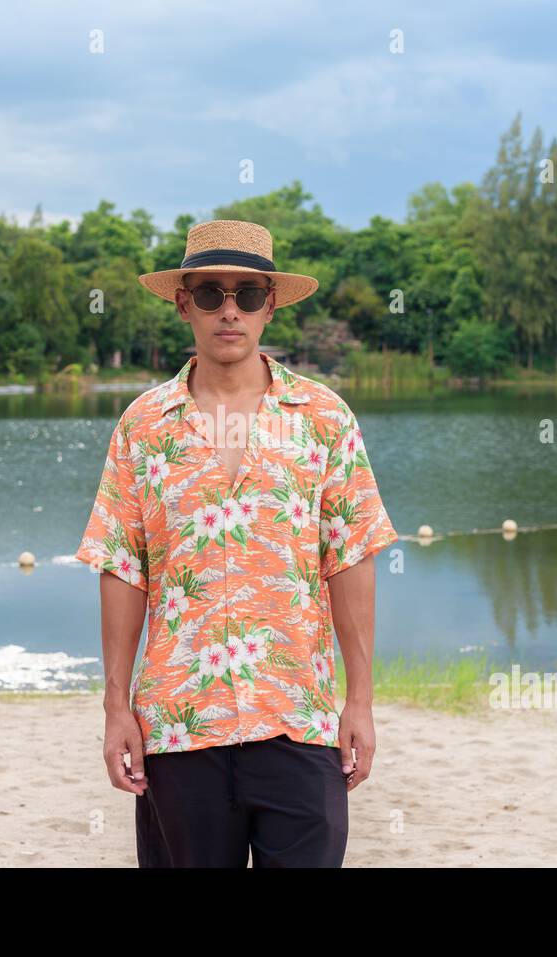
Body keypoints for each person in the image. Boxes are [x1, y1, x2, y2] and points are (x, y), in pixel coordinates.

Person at [76, 220, 398, 867]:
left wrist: (358, 700)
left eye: (248, 294)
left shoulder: (325, 418)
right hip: (178, 723)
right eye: (211, 293)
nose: (230, 309)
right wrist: (117, 710)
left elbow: (351, 557)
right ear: (183, 302)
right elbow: (121, 568)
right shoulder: (142, 427)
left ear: (270, 304)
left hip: (297, 716)